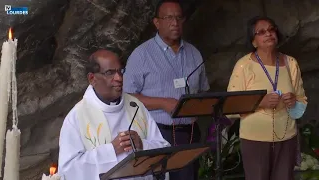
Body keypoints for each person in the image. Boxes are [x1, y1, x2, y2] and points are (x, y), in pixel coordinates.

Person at [123, 0, 209, 179]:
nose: (175, 23)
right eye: (169, 17)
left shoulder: (194, 53)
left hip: (190, 132)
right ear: (157, 22)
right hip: (158, 133)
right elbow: (127, 96)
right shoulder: (142, 54)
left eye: (178, 18)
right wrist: (162, 103)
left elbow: (203, 91)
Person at [58, 49, 170, 180]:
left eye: (120, 71)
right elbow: (68, 170)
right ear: (92, 78)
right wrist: (111, 150)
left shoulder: (135, 106)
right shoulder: (77, 117)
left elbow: (164, 148)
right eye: (110, 73)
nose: (119, 78)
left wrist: (141, 145)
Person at [227, 16, 307, 180]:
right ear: (254, 41)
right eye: (261, 32)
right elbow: (229, 107)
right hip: (255, 140)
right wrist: (259, 102)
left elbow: (301, 105)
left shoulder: (290, 63)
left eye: (271, 29)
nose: (268, 34)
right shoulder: (244, 65)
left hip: (287, 138)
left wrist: (294, 101)